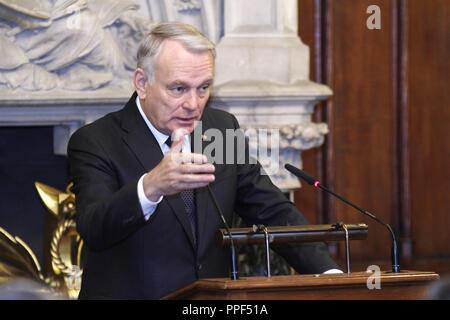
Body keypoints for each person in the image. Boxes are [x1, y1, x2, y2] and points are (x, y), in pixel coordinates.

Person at [68, 22, 341, 300]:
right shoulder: (97, 140)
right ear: (142, 83)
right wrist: (151, 187)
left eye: (203, 88)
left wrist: (330, 275)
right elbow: (94, 227)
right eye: (178, 89)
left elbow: (272, 210)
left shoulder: (219, 130)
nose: (193, 104)